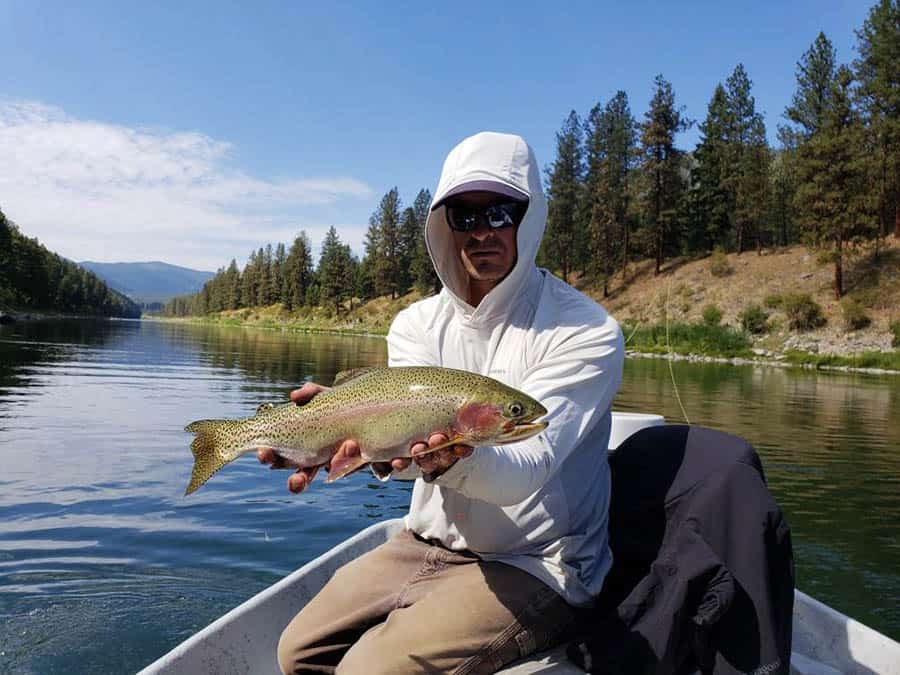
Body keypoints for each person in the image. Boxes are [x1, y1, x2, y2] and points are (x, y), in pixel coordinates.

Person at [261, 131, 625, 674]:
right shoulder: (416, 324)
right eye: (464, 216)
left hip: (538, 564)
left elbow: (530, 468)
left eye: (501, 213)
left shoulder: (585, 330)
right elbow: (405, 461)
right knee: (297, 654)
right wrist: (343, 441)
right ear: (442, 225)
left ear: (531, 217)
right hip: (427, 542)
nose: (482, 232)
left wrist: (456, 455)